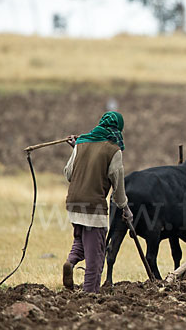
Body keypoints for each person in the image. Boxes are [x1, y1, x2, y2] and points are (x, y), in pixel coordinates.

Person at [62, 111, 133, 293]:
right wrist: (125, 208)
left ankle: (70, 262)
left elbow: (69, 174)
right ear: (118, 129)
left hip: (73, 204)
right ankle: (90, 295)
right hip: (94, 208)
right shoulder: (113, 150)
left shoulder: (81, 143)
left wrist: (78, 151)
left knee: (81, 241)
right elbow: (118, 186)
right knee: (97, 255)